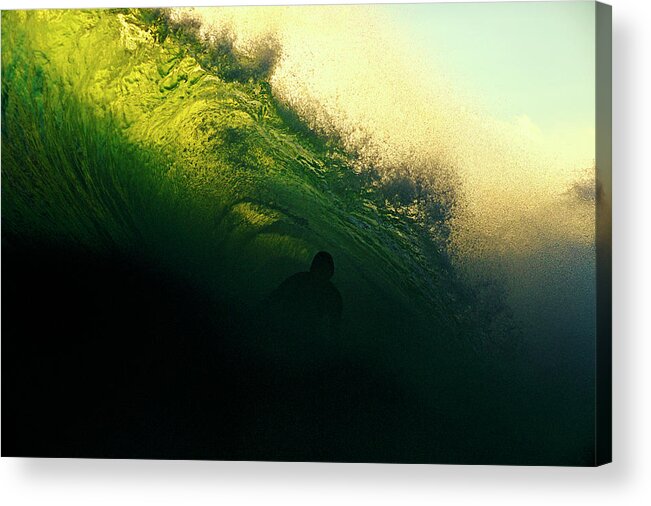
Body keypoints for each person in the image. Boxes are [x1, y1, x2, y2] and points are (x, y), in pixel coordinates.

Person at [267, 251, 343, 340]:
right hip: (286, 324)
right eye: (320, 269)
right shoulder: (299, 279)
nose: (322, 274)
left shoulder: (333, 295)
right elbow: (275, 296)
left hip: (306, 332)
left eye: (325, 271)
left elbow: (334, 326)